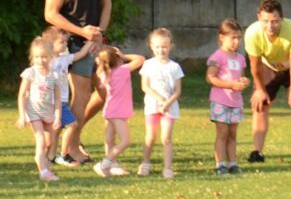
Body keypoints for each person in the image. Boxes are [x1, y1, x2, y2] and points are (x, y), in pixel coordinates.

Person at [44, 0, 112, 165]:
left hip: (96, 41)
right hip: (73, 44)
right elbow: (50, 14)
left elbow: (107, 4)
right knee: (81, 95)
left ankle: (73, 136)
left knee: (105, 91)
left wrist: (100, 34)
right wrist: (82, 32)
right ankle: (70, 149)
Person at [244, 0, 291, 167]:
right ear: (259, 18)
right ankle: (257, 152)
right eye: (265, 21)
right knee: (260, 105)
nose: (270, 26)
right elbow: (255, 65)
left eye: (275, 21)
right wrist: (260, 90)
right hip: (267, 66)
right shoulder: (252, 33)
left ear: (282, 17)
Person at [41, 27, 96, 167]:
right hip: (50, 102)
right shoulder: (45, 62)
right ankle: (58, 155)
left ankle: (55, 156)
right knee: (65, 127)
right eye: (62, 42)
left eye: (66, 42)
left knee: (63, 127)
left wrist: (91, 40)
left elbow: (81, 54)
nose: (65, 44)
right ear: (50, 43)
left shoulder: (64, 59)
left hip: (62, 102)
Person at [92, 45, 146, 177]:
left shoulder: (104, 73)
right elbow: (141, 59)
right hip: (118, 112)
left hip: (109, 110)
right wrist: (124, 56)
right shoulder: (122, 70)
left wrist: (102, 60)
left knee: (109, 139)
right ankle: (105, 164)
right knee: (125, 141)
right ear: (117, 59)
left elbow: (102, 66)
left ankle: (111, 166)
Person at [138, 28, 184, 179]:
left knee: (166, 138)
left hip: (169, 108)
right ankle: (145, 163)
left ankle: (168, 168)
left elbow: (177, 91)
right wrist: (160, 99)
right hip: (152, 107)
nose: (161, 50)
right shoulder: (148, 64)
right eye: (157, 47)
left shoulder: (175, 67)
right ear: (151, 46)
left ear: (171, 46)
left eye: (164, 46)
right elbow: (145, 86)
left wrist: (167, 103)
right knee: (150, 137)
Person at [17, 37, 65, 182]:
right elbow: (22, 94)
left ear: (51, 56)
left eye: (44, 57)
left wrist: (57, 117)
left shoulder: (54, 76)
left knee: (50, 142)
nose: (41, 60)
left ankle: (42, 161)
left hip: (48, 112)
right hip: (34, 112)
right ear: (32, 57)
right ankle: (43, 172)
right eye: (37, 57)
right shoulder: (30, 73)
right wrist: (22, 116)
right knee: (41, 141)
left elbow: (58, 99)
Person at [206, 19, 250, 175]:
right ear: (222, 37)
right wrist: (230, 85)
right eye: (233, 37)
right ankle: (220, 164)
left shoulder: (240, 58)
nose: (237, 41)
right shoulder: (217, 56)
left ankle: (233, 164)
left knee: (232, 134)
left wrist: (245, 82)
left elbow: (241, 77)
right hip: (220, 101)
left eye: (239, 37)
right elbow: (210, 78)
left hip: (236, 102)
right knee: (222, 134)